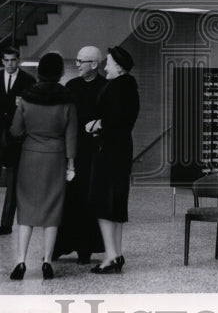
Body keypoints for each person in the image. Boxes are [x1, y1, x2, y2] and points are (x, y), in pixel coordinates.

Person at [8, 52, 76, 281]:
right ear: (60, 73)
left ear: (39, 72)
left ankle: (20, 261)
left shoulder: (26, 98)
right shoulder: (67, 99)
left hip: (30, 156)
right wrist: (71, 163)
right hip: (55, 158)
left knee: (26, 211)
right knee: (52, 210)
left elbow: (15, 131)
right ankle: (47, 261)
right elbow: (71, 135)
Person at [52, 45, 107, 264]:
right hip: (72, 151)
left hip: (94, 153)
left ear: (94, 64)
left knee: (89, 200)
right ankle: (62, 245)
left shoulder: (106, 87)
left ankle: (86, 248)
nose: (76, 64)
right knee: (68, 200)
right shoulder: (71, 86)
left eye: (81, 61)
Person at [88, 46, 140, 274]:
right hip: (121, 150)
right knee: (116, 203)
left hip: (109, 150)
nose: (105, 66)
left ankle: (110, 256)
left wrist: (97, 125)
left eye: (108, 62)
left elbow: (115, 121)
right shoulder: (129, 86)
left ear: (118, 67)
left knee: (104, 202)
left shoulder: (118, 87)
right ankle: (116, 253)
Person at [0, 48, 35, 237]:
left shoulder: (28, 81)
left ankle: (6, 224)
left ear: (19, 60)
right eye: (7, 60)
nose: (10, 64)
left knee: (13, 185)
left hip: (16, 139)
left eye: (13, 60)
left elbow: (31, 111)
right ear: (2, 61)